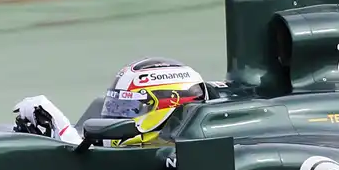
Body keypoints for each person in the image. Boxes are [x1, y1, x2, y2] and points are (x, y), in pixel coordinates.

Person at [13, 58, 209, 147]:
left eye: (129, 109)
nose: (117, 117)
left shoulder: (175, 158)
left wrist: (63, 131)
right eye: (116, 107)